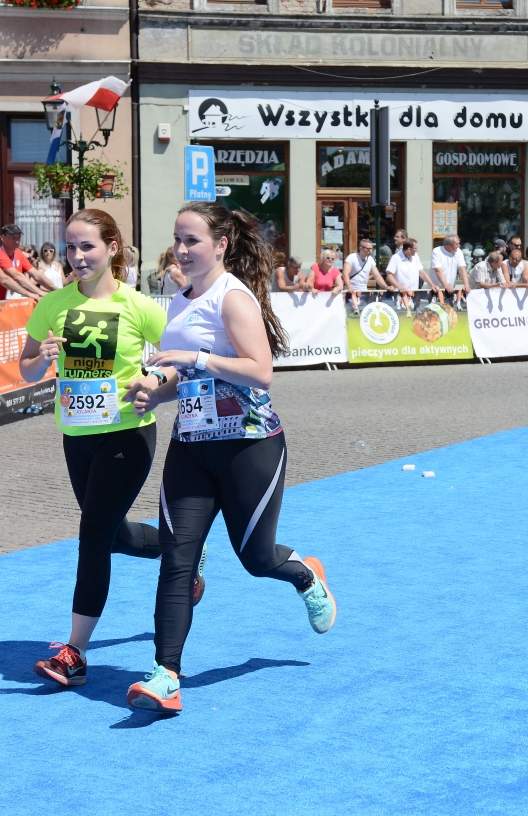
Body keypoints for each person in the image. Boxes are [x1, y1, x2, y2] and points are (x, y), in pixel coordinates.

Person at [122, 201, 335, 713]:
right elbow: (184, 377)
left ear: (220, 245)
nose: (181, 249)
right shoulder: (179, 299)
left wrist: (193, 356)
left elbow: (261, 372)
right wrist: (155, 393)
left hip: (250, 447)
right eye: (177, 239)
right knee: (177, 560)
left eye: (192, 240)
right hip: (191, 448)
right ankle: (165, 675)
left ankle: (306, 575)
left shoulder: (233, 297)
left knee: (256, 560)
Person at [17, 208, 169, 689]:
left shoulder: (139, 306)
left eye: (88, 246)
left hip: (128, 433)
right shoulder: (52, 304)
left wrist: (154, 382)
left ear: (112, 248)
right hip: (77, 436)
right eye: (71, 246)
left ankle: (75, 653)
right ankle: (182, 553)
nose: (78, 256)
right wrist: (40, 358)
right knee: (113, 535)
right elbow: (24, 368)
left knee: (92, 535)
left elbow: (177, 362)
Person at [0, 224, 49, 300]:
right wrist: (39, 292)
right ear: (3, 238)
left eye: (18, 237)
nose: (17, 241)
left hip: (13, 301)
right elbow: (16, 276)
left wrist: (57, 290)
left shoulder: (18, 252)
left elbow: (36, 274)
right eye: (13, 238)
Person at [343, 238, 389, 310]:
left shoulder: (370, 259)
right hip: (350, 293)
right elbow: (345, 274)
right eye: (368, 249)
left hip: (364, 293)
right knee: (350, 314)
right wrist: (349, 287)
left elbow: (377, 276)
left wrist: (386, 287)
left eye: (371, 249)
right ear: (361, 248)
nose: (370, 251)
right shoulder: (352, 257)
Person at [385, 239, 425, 311]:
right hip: (400, 295)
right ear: (409, 249)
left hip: (414, 296)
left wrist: (432, 285)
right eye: (415, 248)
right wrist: (399, 287)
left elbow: (422, 272)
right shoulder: (396, 258)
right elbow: (389, 275)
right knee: (402, 315)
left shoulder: (415, 257)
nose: (417, 250)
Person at [430, 234, 468, 300]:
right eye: (457, 244)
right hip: (436, 289)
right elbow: (438, 270)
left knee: (450, 306)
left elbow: (462, 268)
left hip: (450, 290)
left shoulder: (459, 252)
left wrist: (466, 285)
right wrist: (446, 286)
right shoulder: (437, 251)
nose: (459, 246)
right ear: (450, 244)